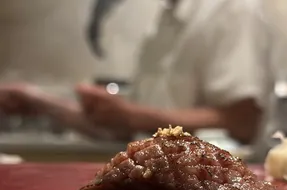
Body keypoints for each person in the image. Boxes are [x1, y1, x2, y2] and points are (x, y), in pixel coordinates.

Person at [0, 0, 268, 145]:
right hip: (157, 189)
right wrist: (41, 103)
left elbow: (243, 122)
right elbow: (129, 129)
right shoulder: (164, 20)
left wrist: (130, 115)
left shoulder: (234, 8)